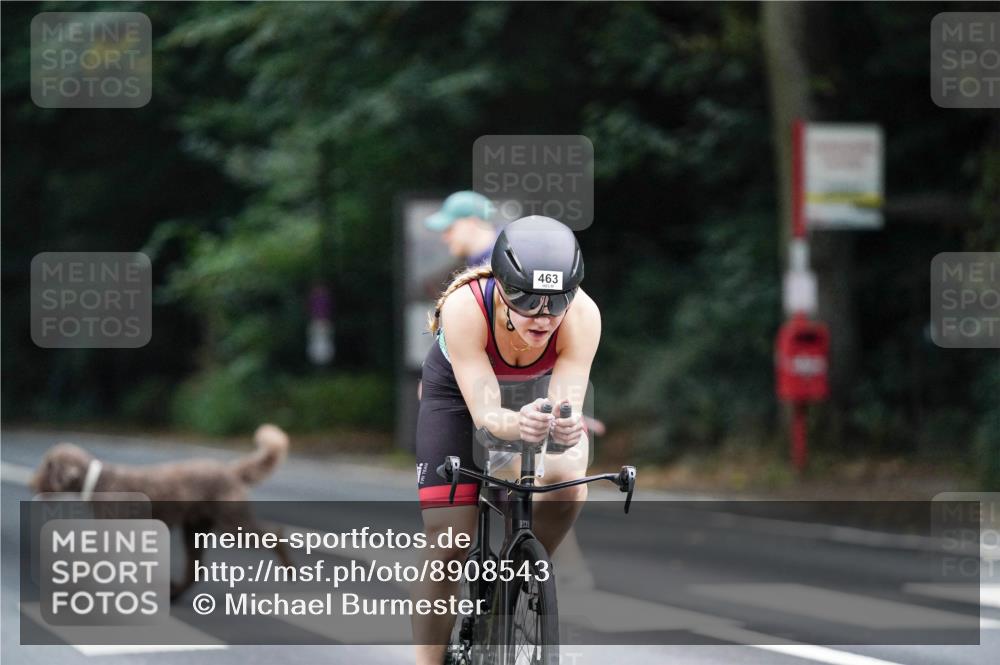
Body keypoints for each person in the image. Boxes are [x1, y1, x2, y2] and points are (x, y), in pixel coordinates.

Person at [411, 216, 599, 665]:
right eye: (527, 300)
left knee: (569, 484)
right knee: (449, 541)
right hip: (460, 398)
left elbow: (565, 403)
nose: (543, 316)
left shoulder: (583, 315)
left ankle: (512, 583)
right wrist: (520, 426)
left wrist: (564, 425)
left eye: (557, 301)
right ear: (501, 286)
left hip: (533, 391)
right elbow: (488, 417)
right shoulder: (466, 307)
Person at [424, 190, 498, 267]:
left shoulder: (502, 263)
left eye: (449, 229)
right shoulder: (486, 262)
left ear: (471, 223)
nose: (445, 238)